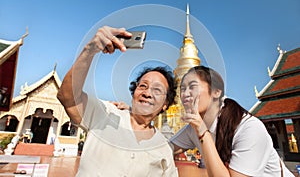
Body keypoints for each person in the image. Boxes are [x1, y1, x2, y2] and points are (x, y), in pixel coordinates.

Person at [57, 26, 178, 177]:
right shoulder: (106, 114)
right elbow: (67, 97)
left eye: (157, 90)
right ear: (134, 93)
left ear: (165, 104)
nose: (147, 93)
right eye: (143, 86)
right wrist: (90, 50)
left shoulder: (163, 147)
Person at [170, 65, 294, 177]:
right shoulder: (193, 129)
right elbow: (165, 149)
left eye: (192, 87)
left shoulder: (249, 128)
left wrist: (202, 132)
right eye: (182, 89)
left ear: (216, 92)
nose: (185, 94)